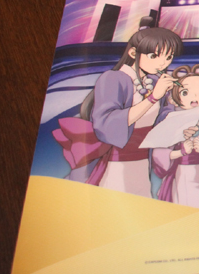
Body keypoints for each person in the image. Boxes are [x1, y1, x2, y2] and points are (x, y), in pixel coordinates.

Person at [52, 17, 182, 198]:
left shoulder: (153, 81)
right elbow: (108, 123)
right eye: (154, 56)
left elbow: (159, 120)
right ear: (133, 53)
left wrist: (174, 109)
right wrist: (153, 98)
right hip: (117, 159)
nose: (163, 64)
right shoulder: (113, 78)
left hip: (143, 158)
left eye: (168, 57)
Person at [153, 64, 199, 209]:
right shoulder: (172, 120)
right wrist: (181, 152)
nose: (194, 98)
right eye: (185, 93)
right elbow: (158, 154)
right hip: (181, 173)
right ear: (175, 97)